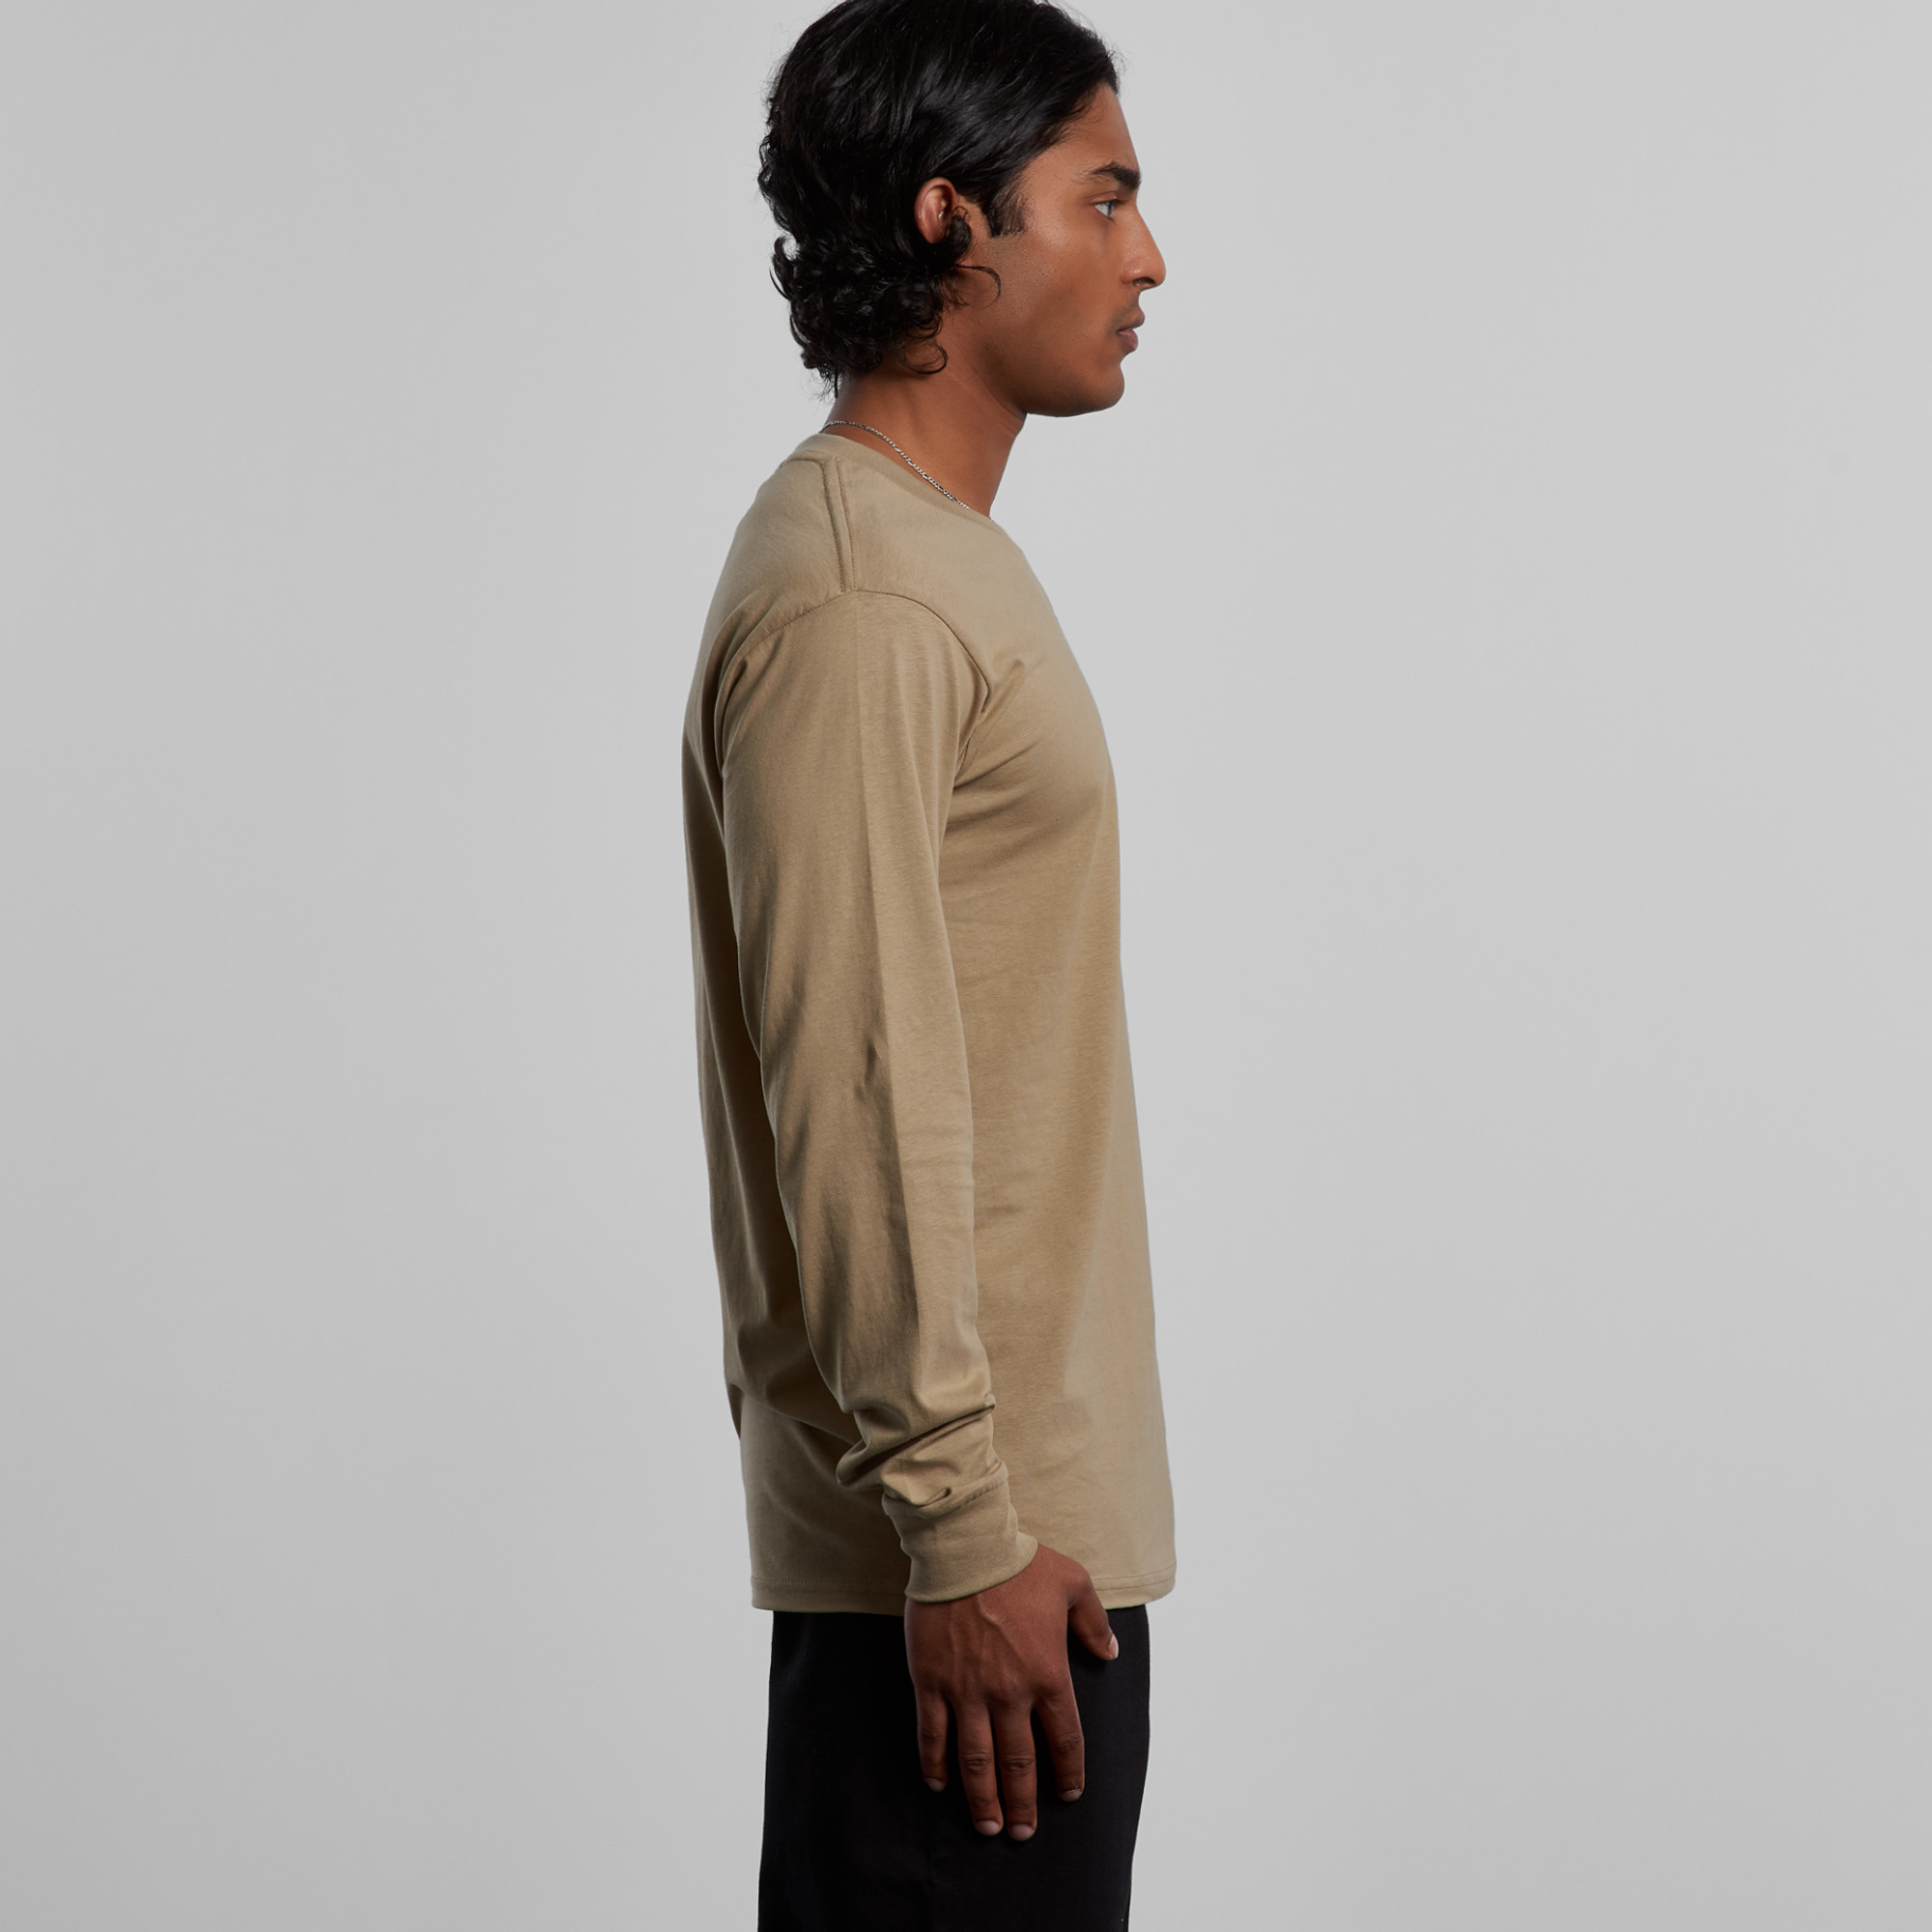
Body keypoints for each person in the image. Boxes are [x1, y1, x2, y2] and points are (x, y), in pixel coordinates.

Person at [680, 2, 1174, 1922]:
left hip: (1012, 1557)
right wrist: (959, 1525)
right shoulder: (863, 596)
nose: (1148, 257)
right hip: (963, 1582)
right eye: (1103, 198)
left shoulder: (924, 556)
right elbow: (858, 1080)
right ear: (950, 218)